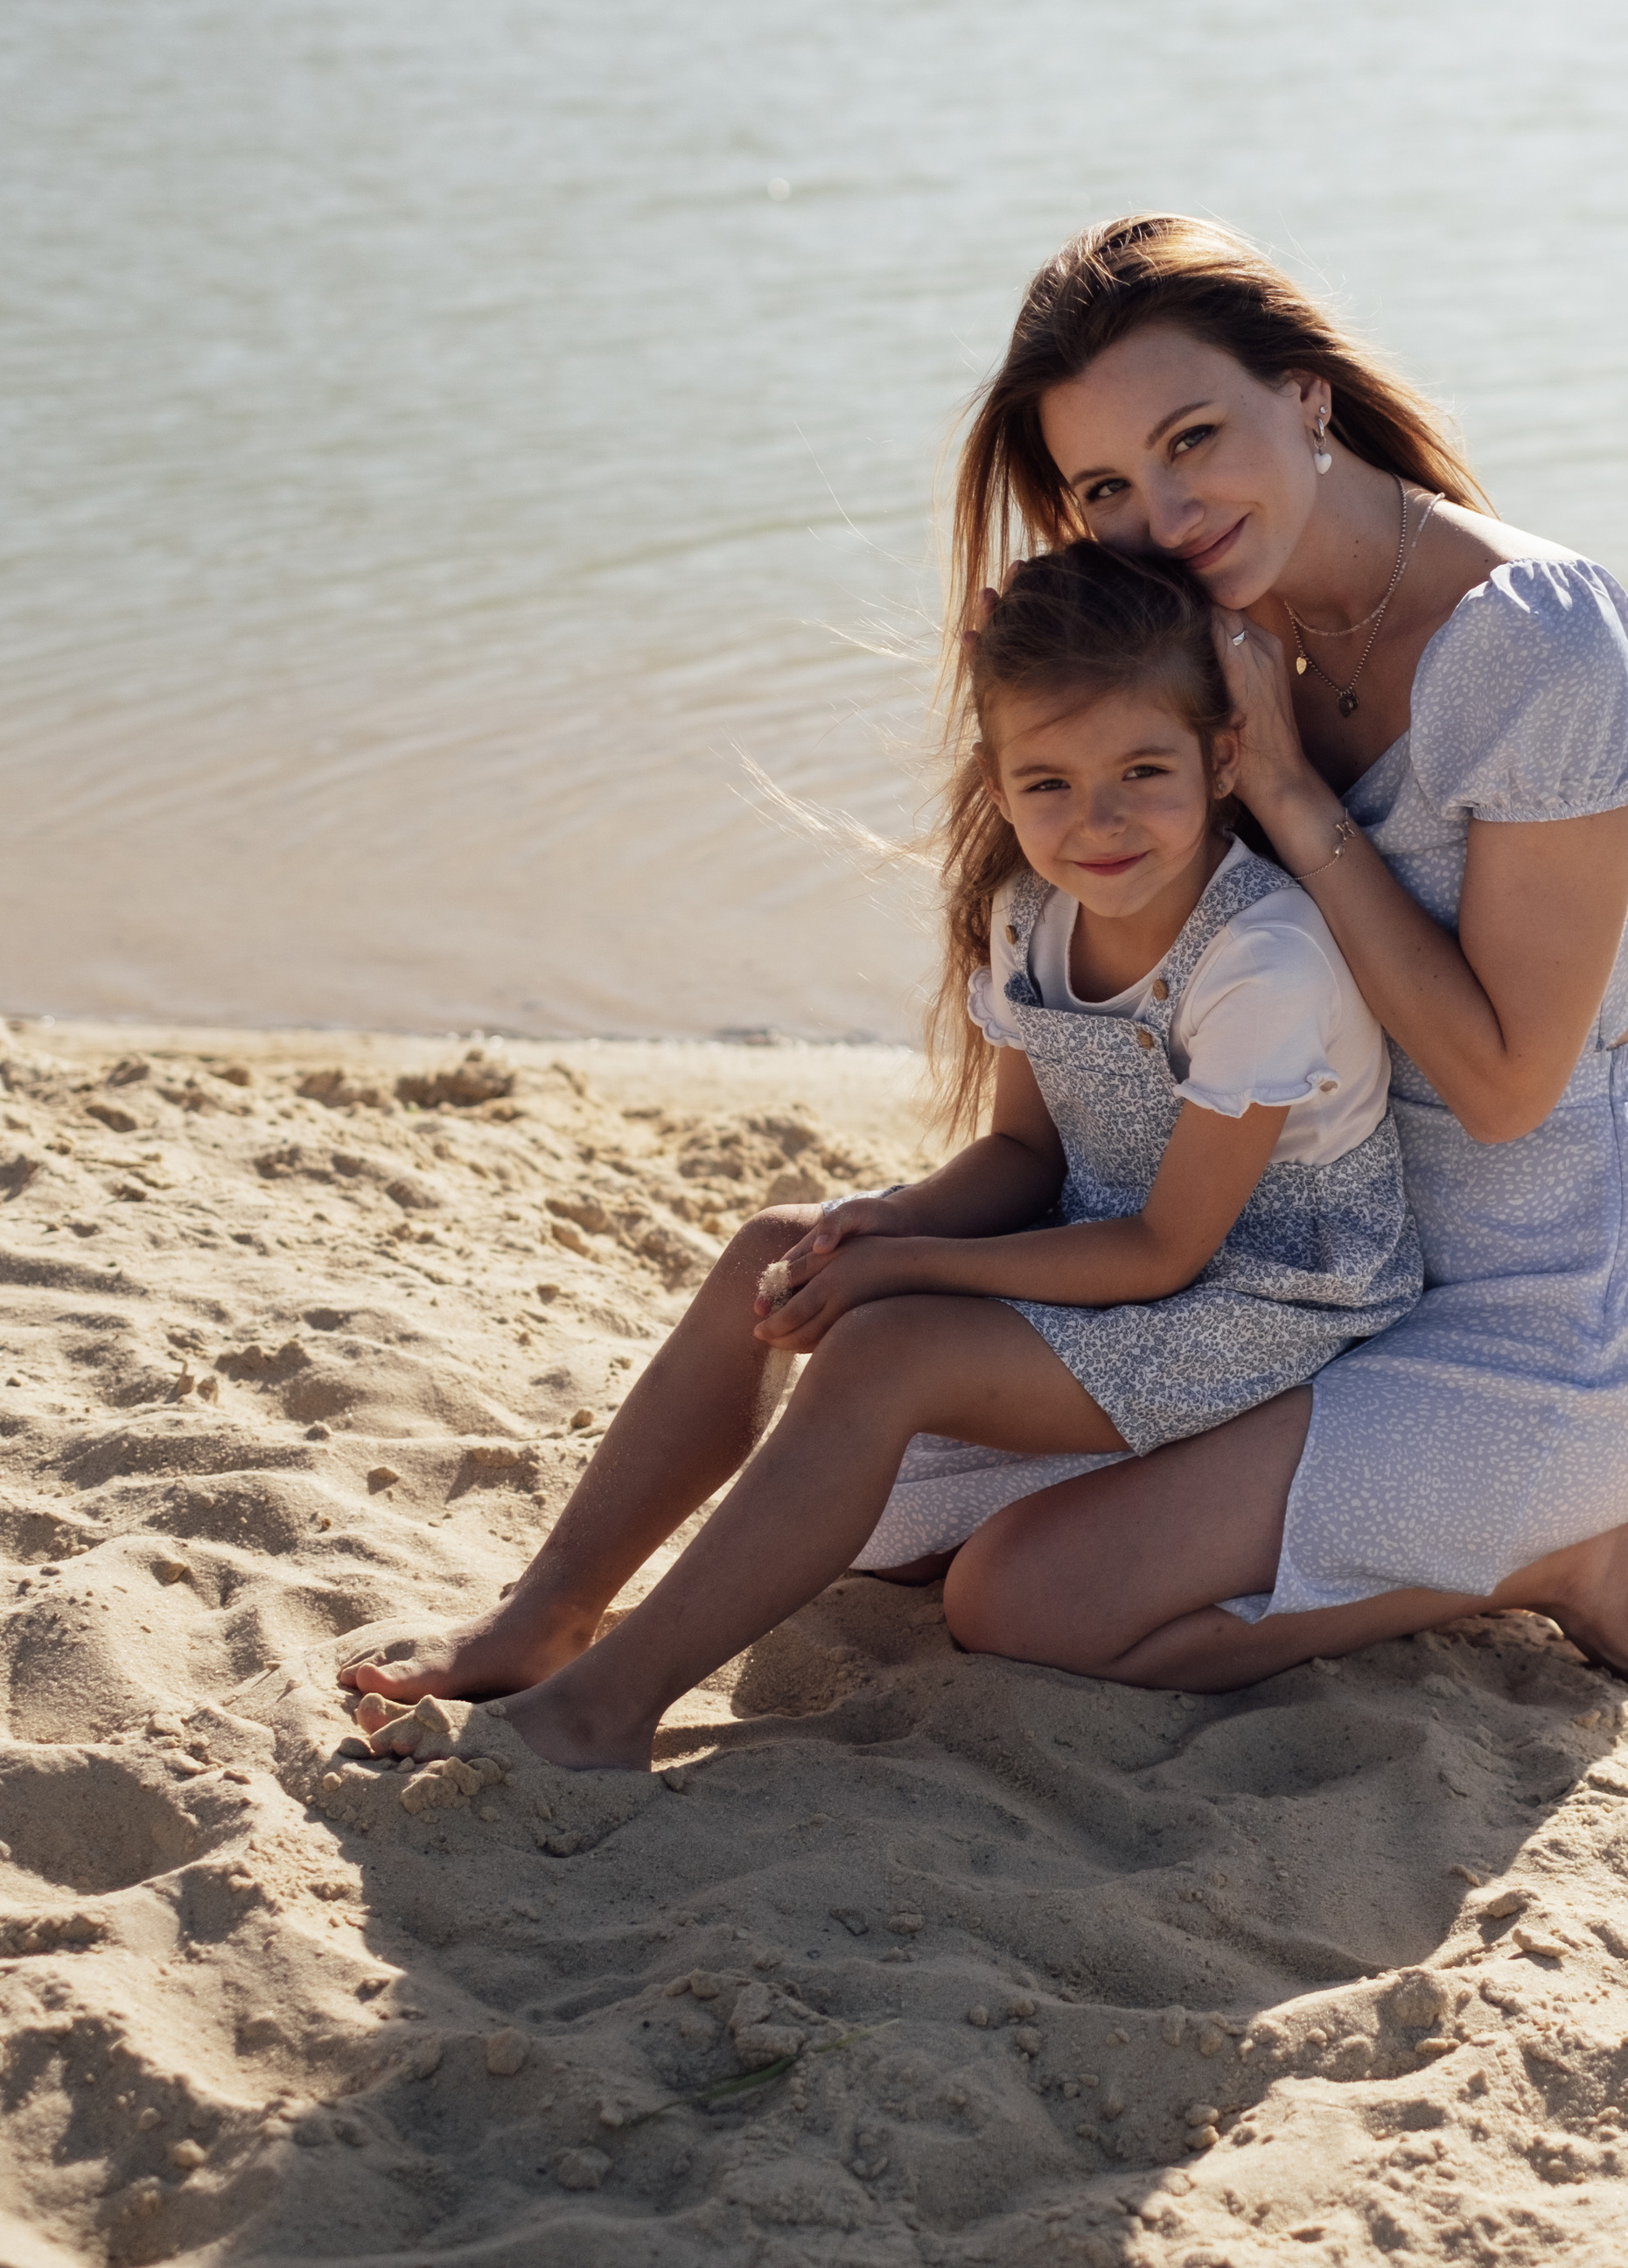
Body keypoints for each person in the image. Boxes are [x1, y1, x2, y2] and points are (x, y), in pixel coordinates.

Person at [343, 536, 1419, 1772]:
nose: (1099, 820)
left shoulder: (1259, 960)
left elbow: (1171, 1248)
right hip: (1108, 1252)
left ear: (1223, 758)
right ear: (998, 779)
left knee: (889, 1347)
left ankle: (606, 1709)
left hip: (1269, 1298)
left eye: (1142, 770)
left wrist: (911, 1273)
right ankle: (545, 1621)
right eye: (1049, 782)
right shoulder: (1031, 913)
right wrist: (884, 1224)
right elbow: (1024, 1148)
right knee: (778, 1250)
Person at [908, 213, 1628, 1708]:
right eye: (1107, 487)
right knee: (886, 1509)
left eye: (1195, 438)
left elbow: (1499, 1088)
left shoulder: (1534, 645)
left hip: (1531, 1307)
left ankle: (1572, 1554)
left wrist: (1281, 788)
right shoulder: (1203, 623)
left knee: (1022, 1598)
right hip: (1301, 1266)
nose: (1165, 511)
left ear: (1310, 395)